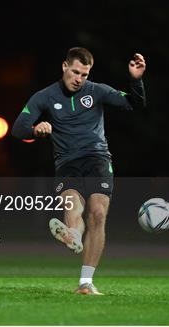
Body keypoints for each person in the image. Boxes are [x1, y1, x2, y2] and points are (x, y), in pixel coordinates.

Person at [12, 47, 146, 295]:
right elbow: (18, 128)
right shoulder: (45, 96)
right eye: (75, 72)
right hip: (67, 162)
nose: (78, 79)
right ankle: (72, 235)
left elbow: (134, 104)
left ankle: (85, 283)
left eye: (84, 74)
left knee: (97, 213)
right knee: (72, 205)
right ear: (64, 66)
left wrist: (136, 80)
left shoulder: (97, 91)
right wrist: (36, 130)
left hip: (97, 158)